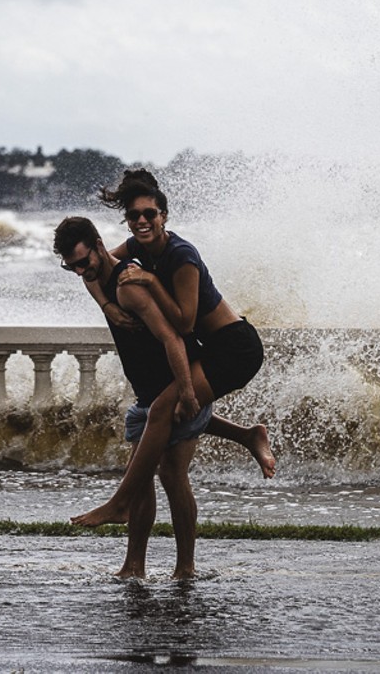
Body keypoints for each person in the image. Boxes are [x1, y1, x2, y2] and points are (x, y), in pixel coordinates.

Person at [69, 169, 271, 530]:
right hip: (210, 348)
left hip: (236, 348)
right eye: (134, 216)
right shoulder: (135, 247)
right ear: (127, 221)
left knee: (164, 408)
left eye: (150, 214)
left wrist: (148, 279)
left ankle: (120, 502)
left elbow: (184, 323)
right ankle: (246, 434)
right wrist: (108, 306)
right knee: (173, 409)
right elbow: (96, 269)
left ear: (164, 215)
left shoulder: (182, 257)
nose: (142, 221)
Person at [54, 216, 209, 579]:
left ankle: (185, 567)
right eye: (70, 266)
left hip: (175, 384)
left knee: (172, 475)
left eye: (83, 262)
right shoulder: (98, 277)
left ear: (98, 245)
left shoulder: (129, 286)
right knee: (139, 478)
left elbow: (173, 338)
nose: (80, 272)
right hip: (145, 395)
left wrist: (187, 391)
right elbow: (94, 279)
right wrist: (105, 307)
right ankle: (133, 567)